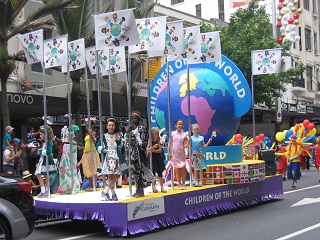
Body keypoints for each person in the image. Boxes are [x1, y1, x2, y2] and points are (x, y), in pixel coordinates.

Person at [97, 117, 125, 201]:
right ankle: (113, 194)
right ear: (106, 126)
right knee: (111, 175)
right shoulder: (104, 136)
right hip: (108, 157)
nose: (111, 127)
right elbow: (97, 145)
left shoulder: (118, 135)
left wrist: (119, 141)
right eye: (109, 125)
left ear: (115, 126)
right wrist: (102, 149)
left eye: (112, 125)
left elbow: (121, 147)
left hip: (117, 157)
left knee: (117, 174)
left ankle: (106, 191)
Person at [126, 111, 148, 197]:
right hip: (132, 152)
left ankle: (141, 189)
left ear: (139, 119)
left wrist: (140, 144)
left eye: (135, 118)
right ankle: (137, 188)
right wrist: (128, 132)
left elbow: (144, 141)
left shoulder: (141, 128)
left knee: (140, 171)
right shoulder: (131, 128)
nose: (133, 120)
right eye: (132, 118)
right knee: (134, 172)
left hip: (139, 153)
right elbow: (126, 141)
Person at [58, 114, 81, 194]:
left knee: (71, 167)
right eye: (64, 119)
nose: (64, 121)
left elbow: (76, 139)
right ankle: (65, 187)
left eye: (66, 119)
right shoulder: (63, 129)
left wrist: (71, 132)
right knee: (63, 168)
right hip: (64, 148)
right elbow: (62, 139)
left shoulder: (75, 127)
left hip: (71, 148)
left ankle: (74, 187)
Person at [77, 121, 100, 191]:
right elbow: (87, 145)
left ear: (92, 126)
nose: (87, 128)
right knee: (88, 170)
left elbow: (94, 141)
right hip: (86, 152)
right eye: (86, 126)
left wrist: (91, 135)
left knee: (93, 170)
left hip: (92, 152)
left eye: (88, 126)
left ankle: (94, 186)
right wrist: (81, 148)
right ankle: (90, 186)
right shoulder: (86, 134)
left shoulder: (93, 133)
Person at [35, 126, 57, 198]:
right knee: (43, 175)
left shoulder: (49, 142)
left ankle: (45, 191)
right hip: (43, 160)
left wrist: (41, 151)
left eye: (41, 134)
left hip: (46, 160)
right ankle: (44, 190)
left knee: (42, 174)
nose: (40, 136)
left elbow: (48, 152)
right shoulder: (45, 143)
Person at [168, 119, 190, 190]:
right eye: (179, 124)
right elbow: (169, 143)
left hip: (182, 153)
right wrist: (169, 152)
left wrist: (188, 143)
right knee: (177, 169)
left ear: (183, 126)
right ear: (176, 125)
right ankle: (179, 183)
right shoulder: (172, 133)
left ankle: (183, 183)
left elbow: (185, 145)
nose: (180, 125)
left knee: (183, 169)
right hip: (175, 153)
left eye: (181, 124)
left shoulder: (184, 135)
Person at [146, 127, 166, 193]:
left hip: (157, 157)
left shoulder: (158, 140)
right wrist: (153, 148)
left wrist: (153, 150)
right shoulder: (150, 140)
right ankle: (153, 187)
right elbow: (148, 150)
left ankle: (162, 187)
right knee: (153, 172)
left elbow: (160, 150)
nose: (157, 135)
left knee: (160, 172)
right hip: (152, 157)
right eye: (156, 134)